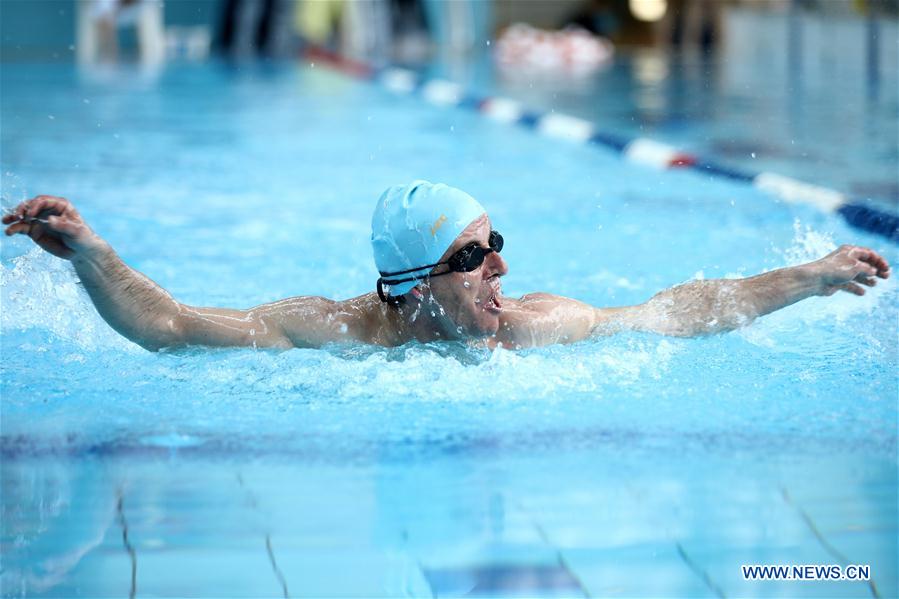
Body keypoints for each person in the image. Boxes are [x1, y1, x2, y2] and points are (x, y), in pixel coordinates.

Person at [2, 181, 890, 352]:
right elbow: (171, 327)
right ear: (411, 282)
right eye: (471, 256)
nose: (499, 267)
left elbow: (679, 309)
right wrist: (91, 253)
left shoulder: (536, 328)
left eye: (496, 245)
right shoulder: (338, 330)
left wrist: (807, 276)